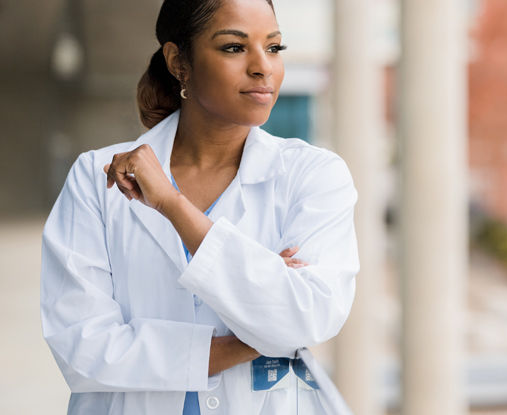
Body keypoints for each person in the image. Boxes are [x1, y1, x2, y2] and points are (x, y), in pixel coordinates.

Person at [40, 0, 359, 413]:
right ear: (178, 62)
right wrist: (256, 334)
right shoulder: (96, 178)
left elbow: (309, 318)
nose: (264, 67)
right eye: (234, 48)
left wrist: (173, 206)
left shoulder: (313, 176)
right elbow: (82, 348)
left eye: (274, 47)